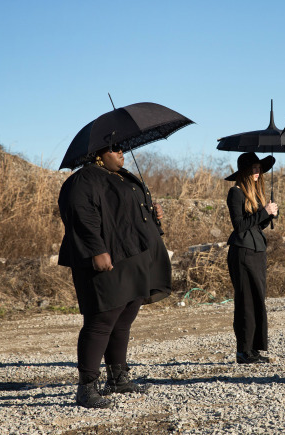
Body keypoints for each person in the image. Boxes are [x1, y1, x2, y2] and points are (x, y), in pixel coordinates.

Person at [57, 145, 172, 408]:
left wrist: (152, 214)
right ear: (98, 153)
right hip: (105, 259)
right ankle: (86, 388)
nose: (122, 152)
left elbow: (124, 215)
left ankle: (117, 378)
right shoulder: (83, 180)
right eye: (115, 149)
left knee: (125, 314)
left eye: (123, 147)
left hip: (131, 255)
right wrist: (96, 250)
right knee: (102, 318)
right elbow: (80, 217)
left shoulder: (124, 176)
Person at [225, 152, 278, 364]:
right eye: (254, 168)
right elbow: (239, 226)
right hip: (242, 252)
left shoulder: (254, 195)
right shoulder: (235, 193)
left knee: (258, 300)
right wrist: (263, 212)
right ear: (245, 171)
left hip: (257, 252)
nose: (258, 172)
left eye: (259, 168)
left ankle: (255, 349)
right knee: (245, 300)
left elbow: (256, 226)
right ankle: (243, 351)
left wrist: (269, 215)